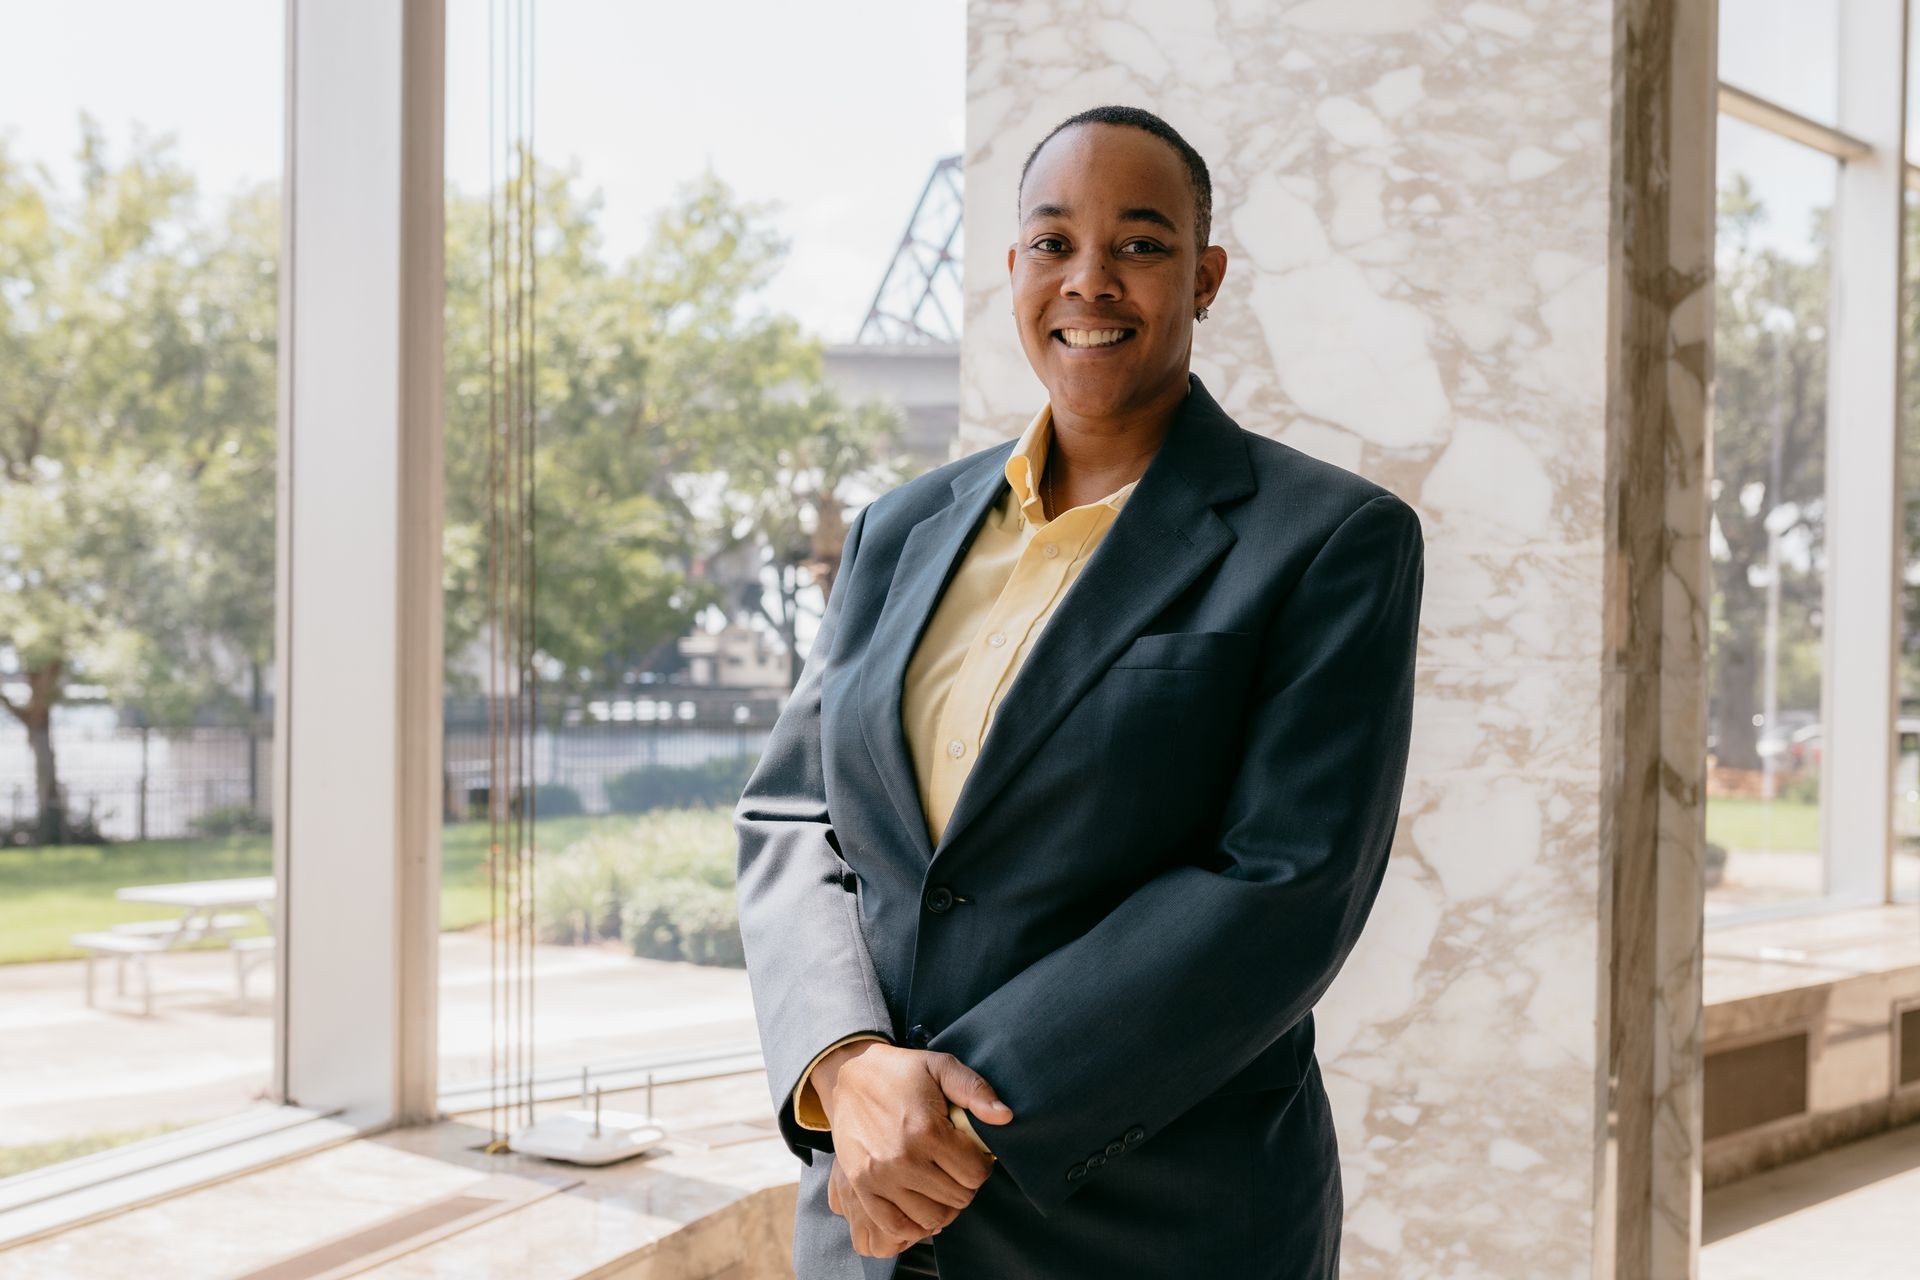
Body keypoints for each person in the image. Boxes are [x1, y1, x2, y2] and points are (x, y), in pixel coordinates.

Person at [734, 104, 1425, 1279]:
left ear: (1204, 277)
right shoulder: (898, 532)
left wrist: (945, 1120)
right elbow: (796, 815)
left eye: (1141, 245)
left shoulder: (1330, 539)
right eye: (1053, 243)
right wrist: (847, 1061)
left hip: (1154, 1221)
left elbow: (1281, 885)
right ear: (1013, 269)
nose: (1089, 282)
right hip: (870, 1224)